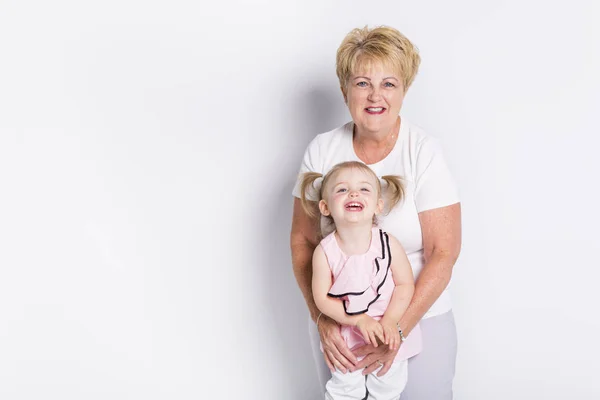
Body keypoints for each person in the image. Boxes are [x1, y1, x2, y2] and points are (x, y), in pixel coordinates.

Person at [290, 25, 462, 400]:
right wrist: (324, 320)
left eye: (388, 84)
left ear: (403, 91)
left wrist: (395, 330)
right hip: (340, 327)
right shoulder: (322, 150)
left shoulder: (423, 151)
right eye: (363, 83)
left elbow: (443, 253)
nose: (375, 95)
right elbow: (303, 240)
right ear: (345, 90)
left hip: (419, 316)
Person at [299, 161, 422, 400]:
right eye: (342, 189)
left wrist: (390, 321)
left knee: (387, 387)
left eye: (364, 189)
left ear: (378, 205)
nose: (354, 193)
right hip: (348, 329)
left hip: (388, 329)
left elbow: (405, 285)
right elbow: (322, 299)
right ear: (325, 207)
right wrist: (358, 320)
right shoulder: (325, 252)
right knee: (345, 389)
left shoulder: (388, 243)